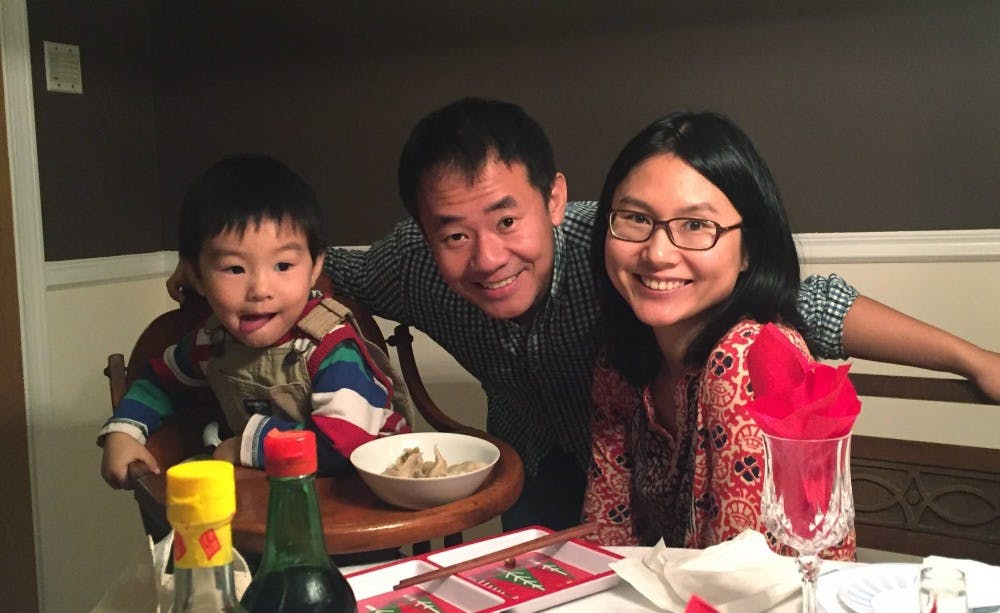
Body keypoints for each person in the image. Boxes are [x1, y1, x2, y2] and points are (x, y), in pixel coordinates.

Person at [166, 98, 1000, 531]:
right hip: (544, 461)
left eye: (506, 220)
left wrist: (973, 357)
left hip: (671, 466)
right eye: (453, 232)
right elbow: (302, 268)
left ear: (557, 198)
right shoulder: (410, 267)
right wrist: (202, 291)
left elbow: (806, 302)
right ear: (424, 233)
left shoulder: (629, 249)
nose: (487, 257)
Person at [582, 111, 858, 557]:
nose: (657, 253)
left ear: (749, 250)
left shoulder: (747, 355)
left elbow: (740, 576)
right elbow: (606, 538)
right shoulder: (620, 357)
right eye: (635, 217)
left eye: (695, 225)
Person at [100, 154, 410, 489]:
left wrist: (245, 445)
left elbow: (343, 446)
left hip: (361, 498)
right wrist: (125, 429)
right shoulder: (210, 342)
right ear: (197, 277)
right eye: (234, 268)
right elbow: (159, 380)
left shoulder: (331, 347)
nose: (260, 290)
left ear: (315, 268)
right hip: (271, 496)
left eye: (283, 266)